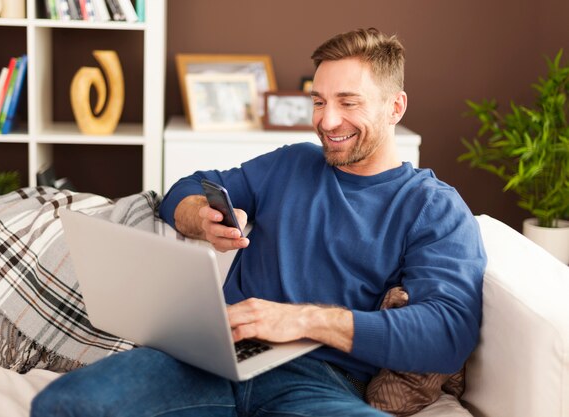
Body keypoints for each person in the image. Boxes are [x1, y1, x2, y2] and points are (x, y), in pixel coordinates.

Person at [31, 27, 486, 417]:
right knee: (63, 404)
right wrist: (196, 217)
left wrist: (302, 319)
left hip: (319, 377)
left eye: (349, 102)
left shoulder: (433, 206)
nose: (328, 120)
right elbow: (188, 186)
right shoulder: (291, 164)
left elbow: (447, 333)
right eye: (319, 101)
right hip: (214, 356)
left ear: (396, 107)